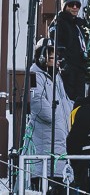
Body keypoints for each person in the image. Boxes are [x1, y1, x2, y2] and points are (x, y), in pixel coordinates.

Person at [27, 38, 72, 185]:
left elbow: (64, 101)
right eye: (53, 57)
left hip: (59, 136)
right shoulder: (33, 74)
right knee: (45, 183)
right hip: (46, 137)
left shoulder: (57, 76)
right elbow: (37, 101)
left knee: (57, 182)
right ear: (42, 56)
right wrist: (55, 117)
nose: (57, 60)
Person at [49, 0, 89, 102]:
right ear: (64, 6)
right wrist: (63, 64)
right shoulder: (58, 22)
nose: (75, 7)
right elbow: (55, 45)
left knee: (79, 101)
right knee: (67, 100)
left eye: (78, 5)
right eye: (71, 4)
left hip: (79, 69)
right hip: (67, 70)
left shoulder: (78, 24)